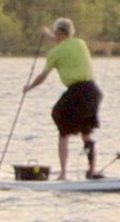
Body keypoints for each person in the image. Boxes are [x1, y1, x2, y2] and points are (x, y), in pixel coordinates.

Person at [20, 16, 103, 179]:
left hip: (77, 91)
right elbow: (64, 41)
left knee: (59, 120)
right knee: (86, 134)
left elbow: (43, 77)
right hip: (92, 92)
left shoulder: (55, 53)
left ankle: (63, 174)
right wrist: (49, 34)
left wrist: (29, 87)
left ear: (58, 32)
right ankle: (92, 171)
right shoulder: (80, 43)